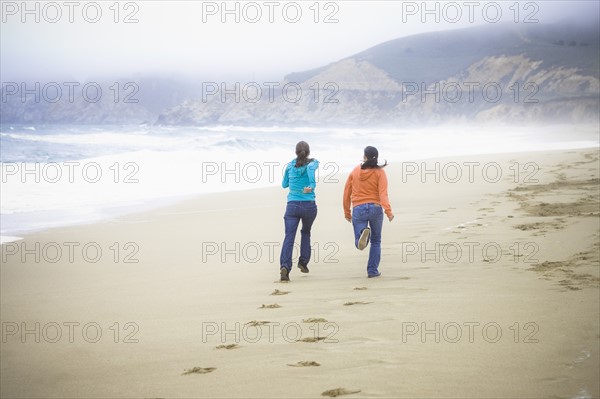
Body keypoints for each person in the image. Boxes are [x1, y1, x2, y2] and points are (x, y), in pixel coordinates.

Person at [343, 146, 394, 278]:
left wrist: (347, 212)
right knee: (376, 241)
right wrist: (388, 211)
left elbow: (346, 193)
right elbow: (383, 194)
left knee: (359, 241)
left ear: (364, 157)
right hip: (376, 208)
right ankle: (372, 270)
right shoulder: (380, 173)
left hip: (359, 209)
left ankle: (361, 236)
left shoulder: (355, 171)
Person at [279, 141, 319, 282]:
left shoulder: (290, 166)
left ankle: (285, 266)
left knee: (289, 236)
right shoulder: (313, 164)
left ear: (296, 152)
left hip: (292, 206)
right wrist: (311, 185)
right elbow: (313, 167)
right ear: (308, 152)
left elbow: (284, 184)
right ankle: (303, 262)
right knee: (306, 232)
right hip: (309, 205)